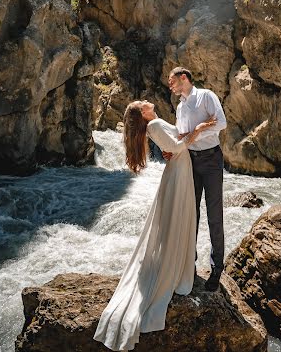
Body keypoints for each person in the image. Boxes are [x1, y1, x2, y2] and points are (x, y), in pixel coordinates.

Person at [93, 100, 217, 351]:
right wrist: (200, 129)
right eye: (143, 103)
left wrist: (184, 139)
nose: (148, 101)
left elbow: (173, 145)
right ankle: (173, 268)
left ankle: (176, 264)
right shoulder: (156, 124)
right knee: (176, 217)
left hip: (179, 170)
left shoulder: (155, 125)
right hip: (179, 173)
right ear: (143, 113)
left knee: (177, 218)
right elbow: (176, 146)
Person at [165, 67, 227, 292]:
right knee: (191, 214)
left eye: (172, 81)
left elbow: (221, 123)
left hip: (211, 160)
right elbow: (183, 136)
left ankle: (217, 268)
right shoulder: (180, 107)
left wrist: (201, 128)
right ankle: (188, 265)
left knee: (214, 214)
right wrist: (171, 150)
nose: (170, 86)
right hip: (190, 161)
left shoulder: (206, 96)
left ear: (184, 78)